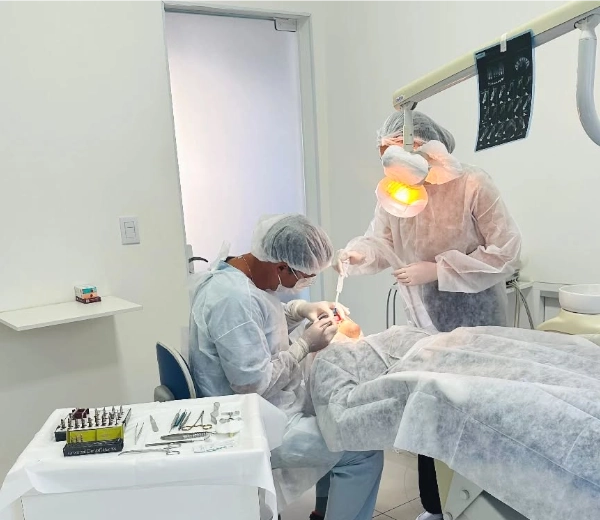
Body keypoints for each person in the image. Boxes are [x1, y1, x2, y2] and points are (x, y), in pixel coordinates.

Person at [335, 111, 521, 520]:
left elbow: (506, 252)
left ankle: (481, 506)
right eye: (384, 155)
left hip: (477, 319)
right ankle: (436, 507)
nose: (388, 163)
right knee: (429, 408)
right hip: (425, 321)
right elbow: (380, 240)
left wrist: (439, 269)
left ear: (423, 149)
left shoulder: (473, 185)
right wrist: (359, 254)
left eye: (394, 153)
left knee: (475, 414)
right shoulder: (397, 191)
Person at [188, 214, 384, 520]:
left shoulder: (238, 273)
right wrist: (305, 345)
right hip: (253, 425)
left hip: (266, 408)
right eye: (305, 277)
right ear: (281, 267)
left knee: (332, 416)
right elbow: (252, 383)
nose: (304, 284)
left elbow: (262, 321)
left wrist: (301, 310)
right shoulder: (233, 299)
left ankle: (323, 512)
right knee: (363, 447)